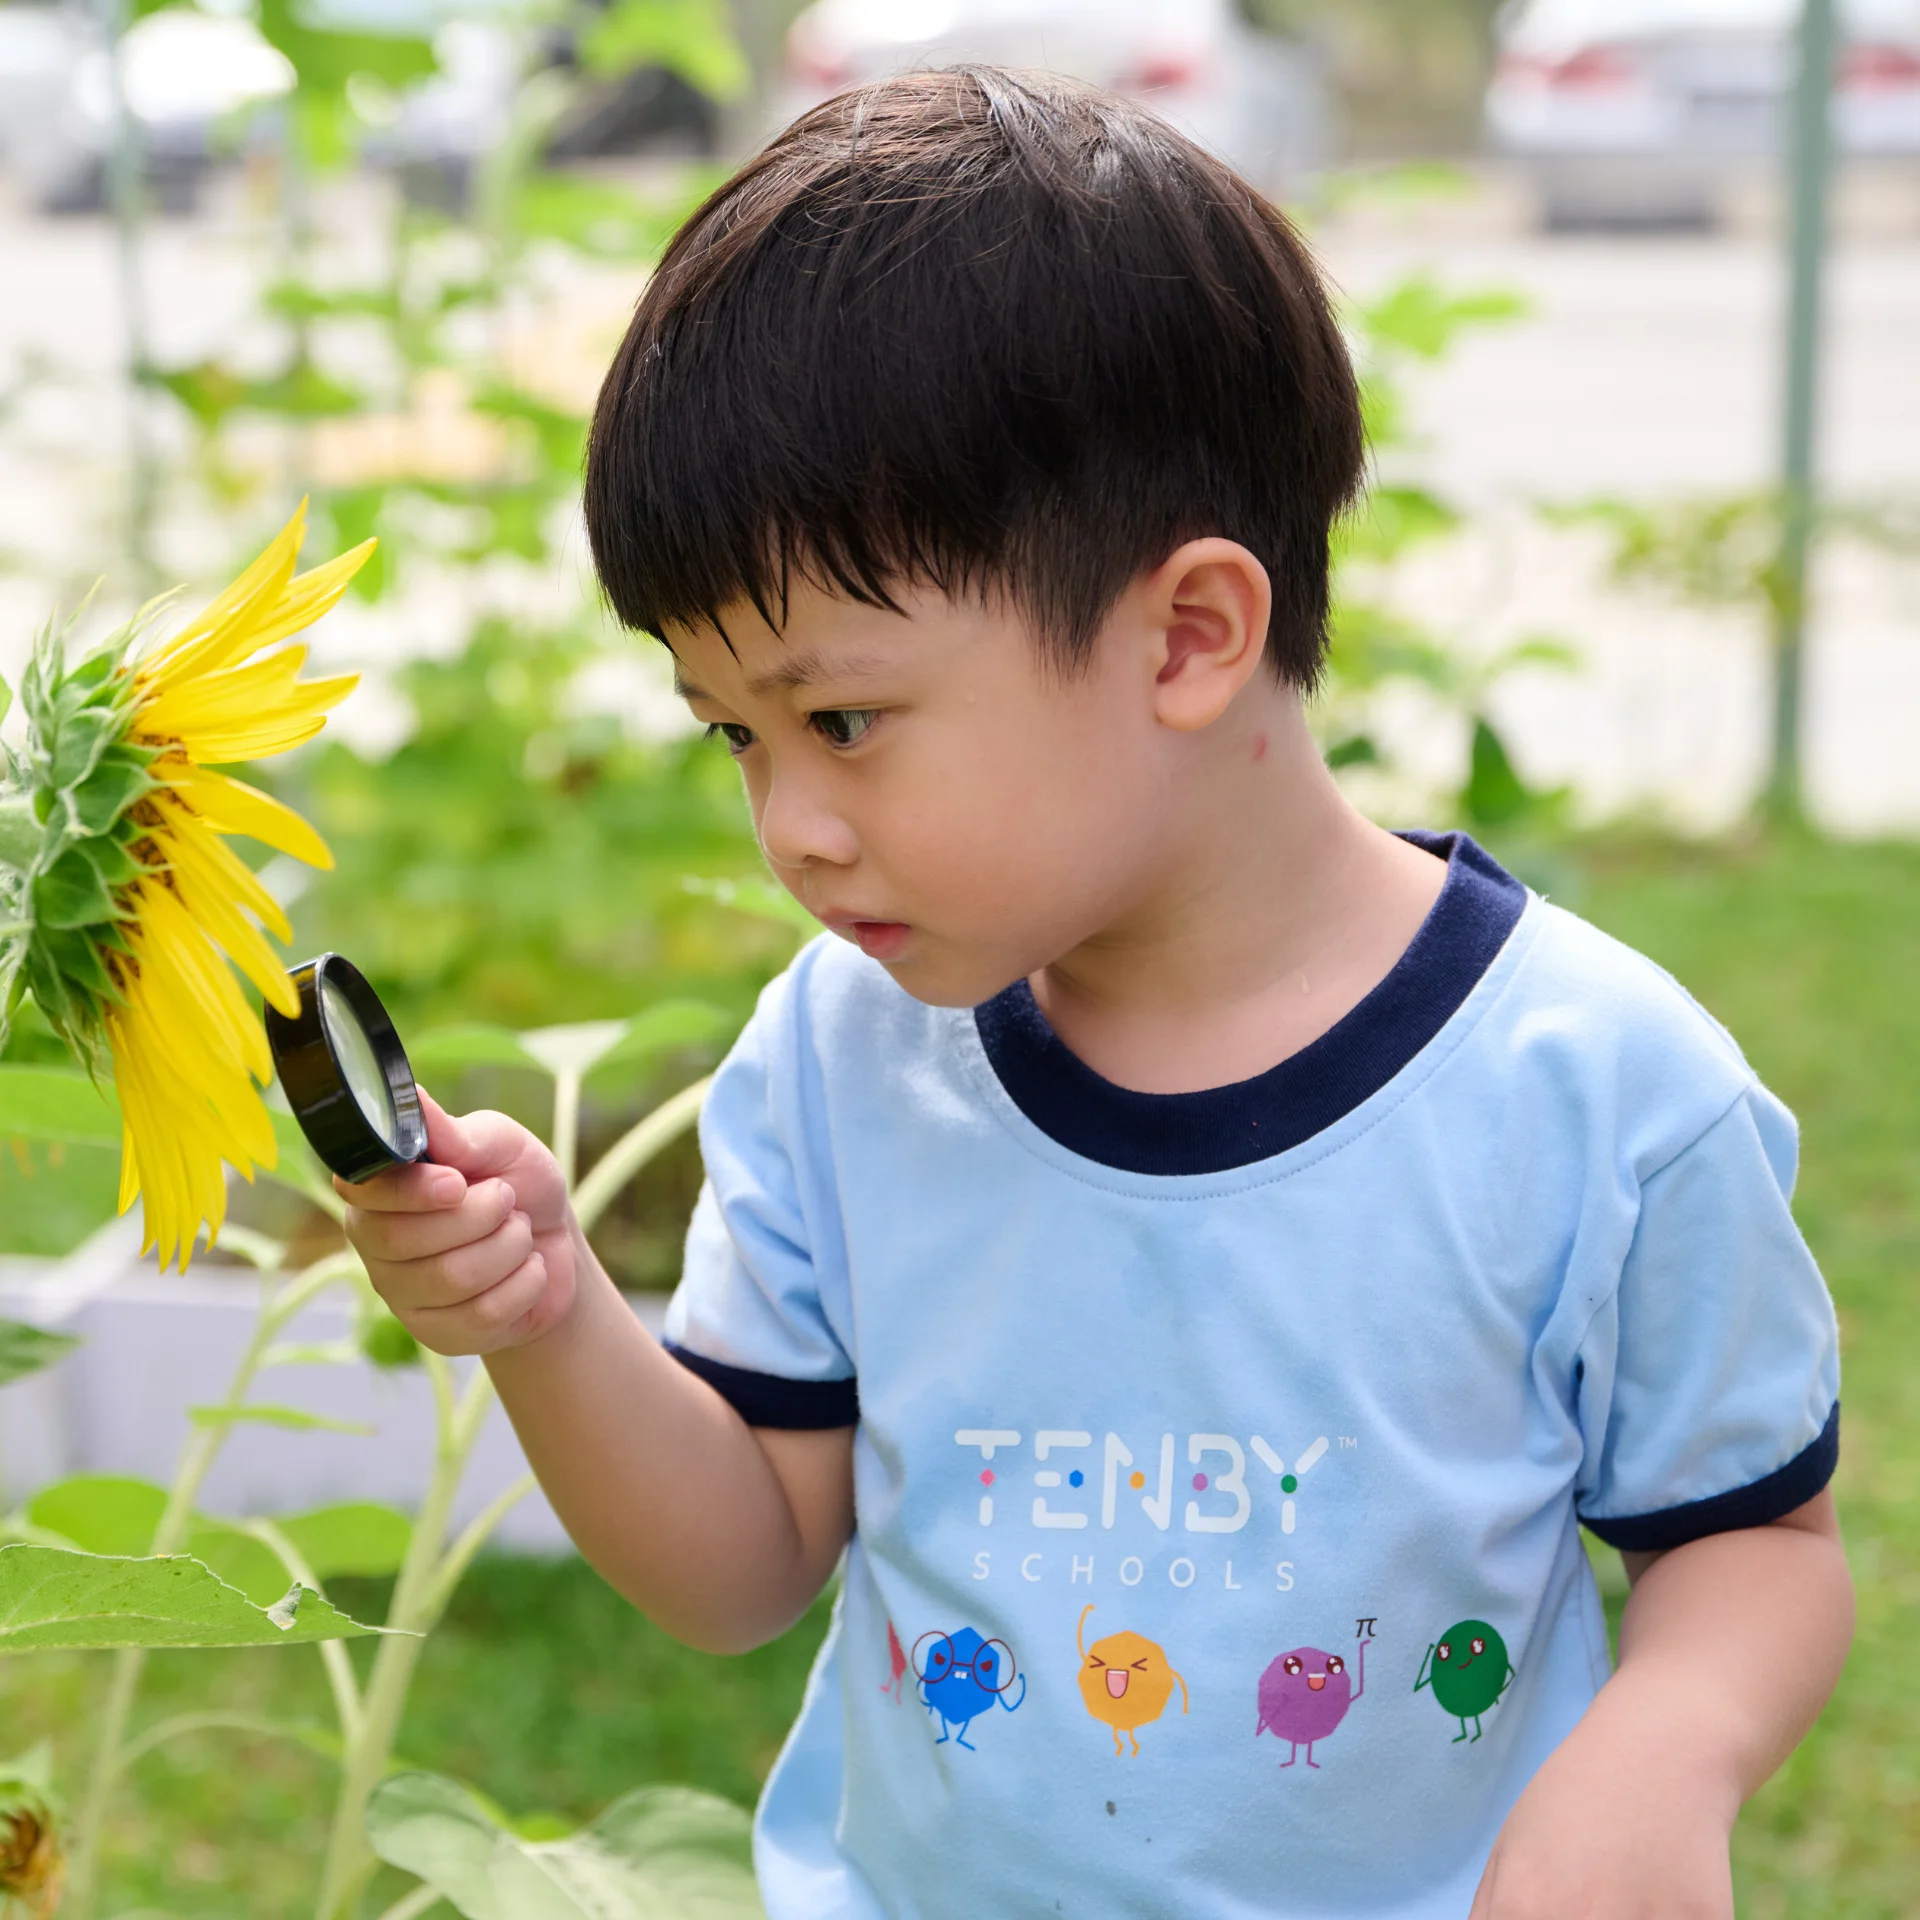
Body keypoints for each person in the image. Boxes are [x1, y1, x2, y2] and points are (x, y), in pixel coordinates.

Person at [340, 67, 1852, 1920]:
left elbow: (1757, 1540)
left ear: (1189, 635)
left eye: (842, 720)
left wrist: (1665, 1749)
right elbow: (737, 1572)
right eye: (733, 734)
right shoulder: (839, 1058)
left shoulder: (1595, 1095)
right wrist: (552, 1318)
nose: (790, 827)